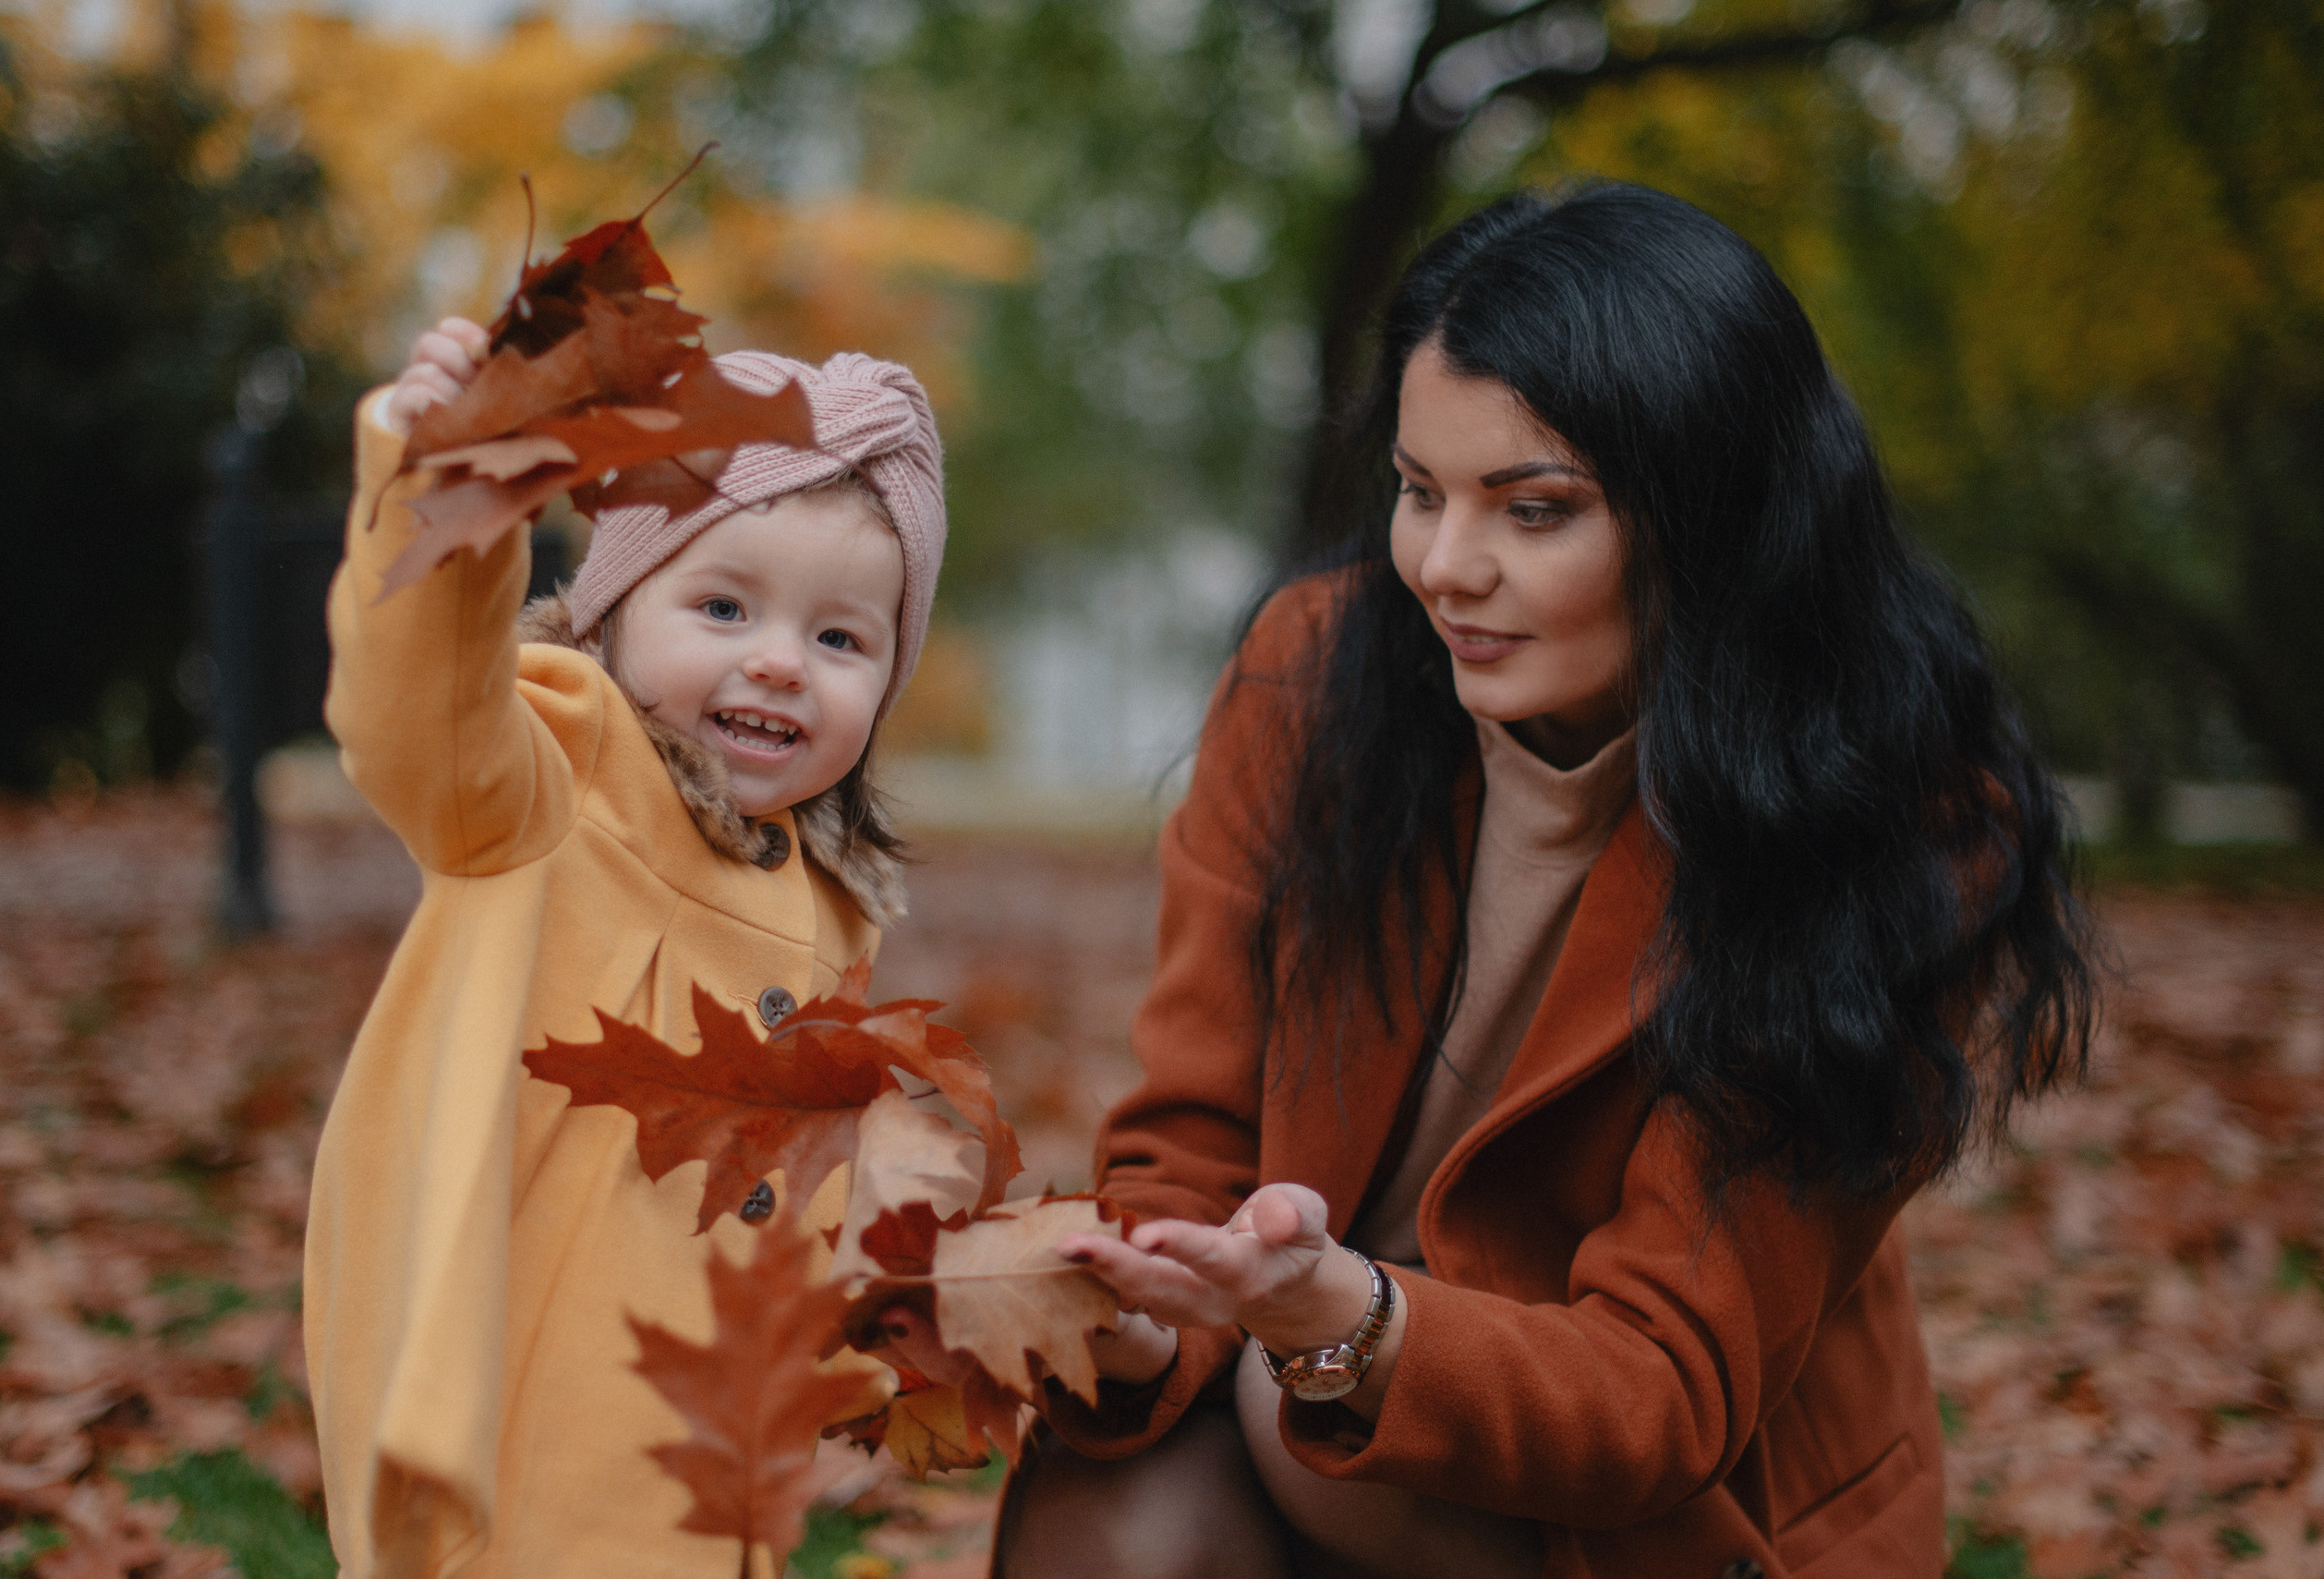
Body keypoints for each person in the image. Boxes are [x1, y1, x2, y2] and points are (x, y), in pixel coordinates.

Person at [987, 184, 2097, 1578]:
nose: (1446, 568)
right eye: (1416, 491)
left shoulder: (1898, 829)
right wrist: (1163, 1313)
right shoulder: (1317, 674)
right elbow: (1192, 1142)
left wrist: (1350, 1316)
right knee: (1130, 1523)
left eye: (1535, 508)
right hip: (1300, 1403)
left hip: (1642, 1510)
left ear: (1715, 515)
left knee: (1288, 1408)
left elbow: (1658, 1391)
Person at [304, 320, 947, 1578]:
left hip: (706, 1431)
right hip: (526, 1378)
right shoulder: (548, 786)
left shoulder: (830, 902)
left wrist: (882, 1302)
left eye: (840, 639)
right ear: (611, 608)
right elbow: (414, 713)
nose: (777, 660)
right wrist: (452, 498)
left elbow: (800, 1164)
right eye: (721, 604)